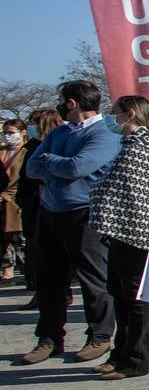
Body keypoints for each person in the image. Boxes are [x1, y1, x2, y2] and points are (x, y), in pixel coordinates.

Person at [21, 81, 122, 364]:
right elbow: (31, 168)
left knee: (93, 278)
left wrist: (50, 160)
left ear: (72, 103)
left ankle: (100, 336)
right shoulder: (60, 132)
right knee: (49, 279)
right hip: (50, 212)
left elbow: (79, 166)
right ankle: (49, 338)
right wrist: (59, 164)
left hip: (85, 213)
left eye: (61, 99)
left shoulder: (106, 133)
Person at [86, 96, 149, 380]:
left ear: (130, 114)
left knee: (135, 299)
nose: (112, 117)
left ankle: (136, 360)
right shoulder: (130, 145)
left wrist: (100, 192)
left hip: (137, 232)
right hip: (121, 232)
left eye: (116, 113)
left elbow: (135, 193)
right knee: (119, 293)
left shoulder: (143, 149)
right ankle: (119, 354)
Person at [15, 109, 61, 307]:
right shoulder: (32, 146)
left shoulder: (55, 145)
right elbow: (28, 174)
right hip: (32, 206)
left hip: (50, 204)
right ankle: (43, 294)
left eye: (34, 122)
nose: (31, 127)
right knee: (38, 253)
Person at [1, 119, 27, 282]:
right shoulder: (2, 151)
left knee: (20, 238)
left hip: (16, 199)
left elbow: (22, 177)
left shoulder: (26, 151)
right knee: (3, 239)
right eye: (5, 133)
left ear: (22, 133)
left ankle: (26, 270)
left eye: (11, 133)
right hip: (2, 200)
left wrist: (6, 195)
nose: (7, 136)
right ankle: (7, 269)